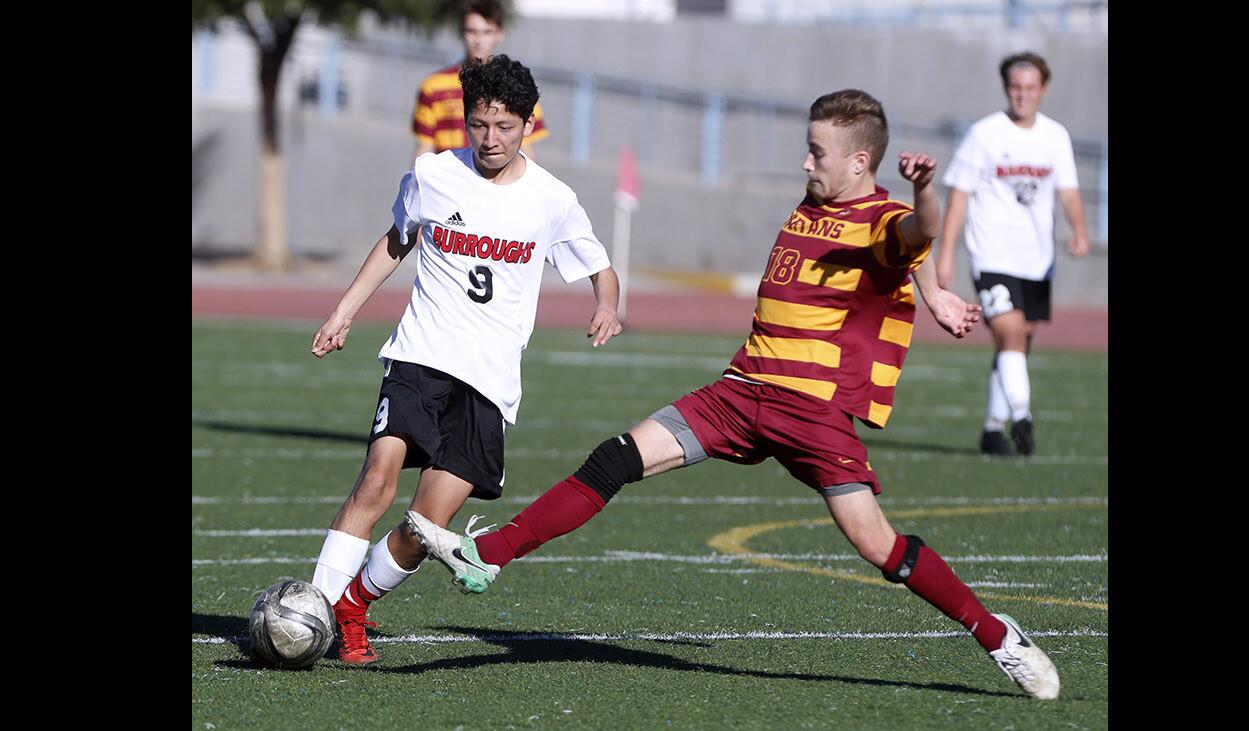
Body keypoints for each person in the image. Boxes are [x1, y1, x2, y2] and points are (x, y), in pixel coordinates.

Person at [407, 89, 1061, 700]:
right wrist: (930, 290)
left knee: (878, 546)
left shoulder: (884, 216)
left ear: (860, 161)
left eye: (817, 151)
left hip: (813, 412)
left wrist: (924, 192)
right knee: (615, 458)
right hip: (741, 389)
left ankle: (998, 634)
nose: (805, 160)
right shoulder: (814, 204)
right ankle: (488, 554)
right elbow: (897, 270)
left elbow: (913, 236)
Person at [308, 54, 621, 666]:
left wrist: (606, 305)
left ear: (527, 124)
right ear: (465, 121)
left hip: (489, 381)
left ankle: (353, 606)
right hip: (421, 355)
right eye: (479, 125)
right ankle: (316, 613)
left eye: (504, 126)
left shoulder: (552, 200)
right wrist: (344, 310)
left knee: (426, 527)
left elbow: (601, 269)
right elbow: (398, 239)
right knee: (376, 479)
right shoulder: (432, 174)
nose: (490, 139)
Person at [935, 51, 1091, 457]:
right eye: (1015, 87)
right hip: (992, 255)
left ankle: (991, 429)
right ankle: (1022, 418)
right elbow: (958, 198)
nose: (1022, 95)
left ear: (1043, 89)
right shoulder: (984, 134)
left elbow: (1069, 190)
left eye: (1030, 87)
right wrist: (946, 255)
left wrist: (1079, 229)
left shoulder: (1055, 136)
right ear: (1006, 89)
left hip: (1036, 259)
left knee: (1019, 341)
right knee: (1008, 333)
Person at [411, 0, 548, 163]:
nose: (478, 40)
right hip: (450, 182)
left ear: (500, 33)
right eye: (472, 31)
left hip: (498, 183)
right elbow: (424, 147)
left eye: (487, 32)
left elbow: (525, 148)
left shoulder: (517, 86)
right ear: (461, 32)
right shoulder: (433, 86)